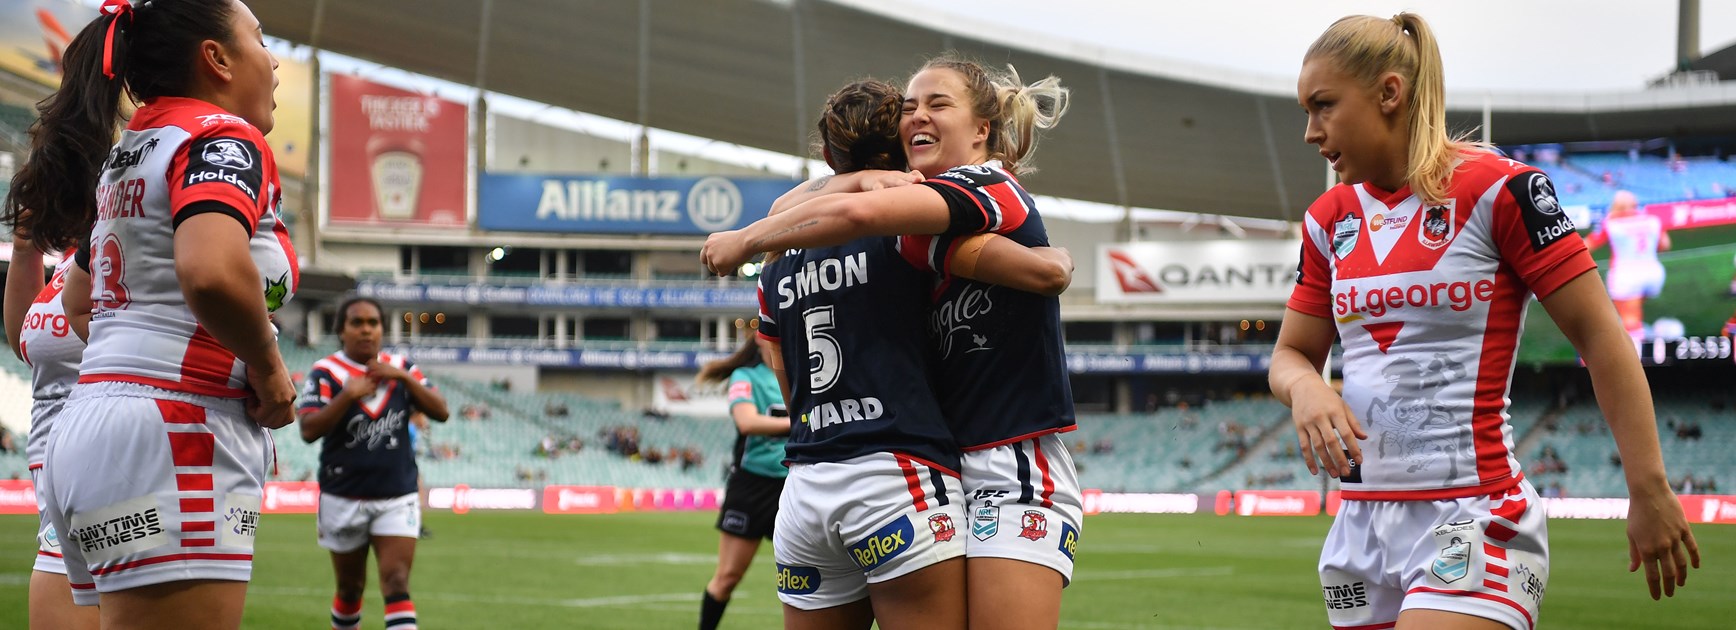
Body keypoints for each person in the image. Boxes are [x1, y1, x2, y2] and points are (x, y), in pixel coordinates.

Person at [1271, 13, 1700, 630]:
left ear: (1389, 93)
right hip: (1360, 528)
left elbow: (1601, 338)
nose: (1311, 132)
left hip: (1474, 515)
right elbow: (1289, 355)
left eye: (1324, 106)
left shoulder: (1503, 190)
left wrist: (1649, 486)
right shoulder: (1326, 219)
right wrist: (1307, 386)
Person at [704, 57, 1081, 630]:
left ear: (983, 129)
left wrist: (749, 238)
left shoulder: (982, 188)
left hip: (1008, 457)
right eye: (909, 109)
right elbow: (1043, 270)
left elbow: (850, 214)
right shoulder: (913, 234)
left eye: (937, 104)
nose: (919, 117)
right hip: (924, 466)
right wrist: (1050, 262)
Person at [4, 0, 297, 626]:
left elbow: (78, 302)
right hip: (175, 426)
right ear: (215, 58)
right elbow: (211, 271)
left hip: (91, 426)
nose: (273, 61)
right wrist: (268, 366)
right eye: (260, 39)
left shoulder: (131, 151)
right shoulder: (220, 136)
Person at [298, 296, 449, 630]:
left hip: (396, 495)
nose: (366, 330)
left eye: (373, 323)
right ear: (341, 331)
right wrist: (348, 395)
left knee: (396, 582)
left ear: (382, 329)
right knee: (350, 589)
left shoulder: (402, 367)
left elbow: (441, 411)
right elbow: (308, 429)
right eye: (357, 323)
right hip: (343, 496)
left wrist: (403, 377)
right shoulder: (326, 372)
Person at [4, 237, 97, 630]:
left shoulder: (125, 228)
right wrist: (26, 249)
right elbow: (27, 344)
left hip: (111, 467)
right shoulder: (69, 260)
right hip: (59, 491)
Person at [696, 336, 791, 630]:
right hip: (751, 487)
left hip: (794, 486)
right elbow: (747, 422)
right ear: (761, 339)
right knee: (727, 578)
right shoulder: (745, 377)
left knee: (807, 578)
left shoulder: (803, 375)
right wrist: (800, 423)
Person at [1584, 190, 1669, 341]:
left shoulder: (1611, 222)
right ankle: (1640, 333)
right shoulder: (1652, 219)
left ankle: (1637, 353)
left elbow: (1587, 246)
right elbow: (1664, 245)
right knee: (1634, 311)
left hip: (1626, 275)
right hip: (1654, 272)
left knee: (1629, 320)